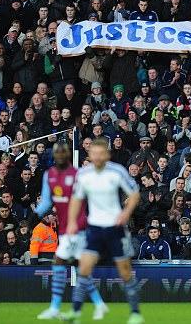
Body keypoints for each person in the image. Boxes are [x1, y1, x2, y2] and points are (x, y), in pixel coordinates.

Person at [64, 138, 144, 324]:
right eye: (95, 154)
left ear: (107, 155)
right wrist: (72, 222)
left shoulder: (117, 171)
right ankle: (75, 312)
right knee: (83, 268)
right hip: (94, 228)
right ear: (90, 155)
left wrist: (126, 212)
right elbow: (76, 199)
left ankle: (135, 313)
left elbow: (134, 194)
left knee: (125, 272)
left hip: (115, 228)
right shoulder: (83, 175)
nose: (98, 157)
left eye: (101, 154)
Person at [34, 143, 108, 320]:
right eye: (57, 152)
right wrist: (35, 214)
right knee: (78, 267)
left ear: (67, 155)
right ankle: (99, 303)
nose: (60, 155)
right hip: (64, 228)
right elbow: (46, 202)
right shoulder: (49, 175)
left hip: (77, 227)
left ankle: (55, 307)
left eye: (63, 152)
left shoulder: (78, 175)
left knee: (59, 262)